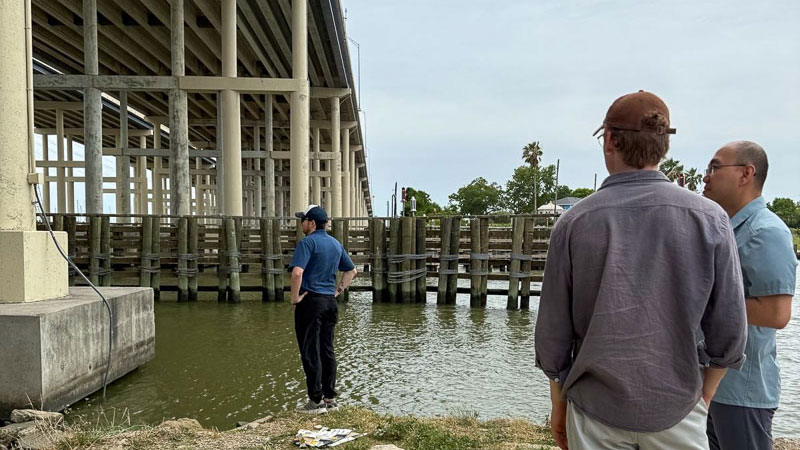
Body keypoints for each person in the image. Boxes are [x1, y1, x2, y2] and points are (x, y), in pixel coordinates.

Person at [534, 90, 748, 450]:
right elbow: (730, 330)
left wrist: (559, 403)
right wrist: (704, 396)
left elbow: (553, 335)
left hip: (594, 409)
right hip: (678, 405)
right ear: (663, 146)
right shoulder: (710, 219)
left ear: (610, 141)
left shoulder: (574, 223)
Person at [702, 141, 797, 450]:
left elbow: (776, 313)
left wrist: (698, 304)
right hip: (712, 383)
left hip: (742, 390)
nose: (706, 176)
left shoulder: (765, 232)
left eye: (715, 168)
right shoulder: (727, 228)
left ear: (746, 174)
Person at [288, 204, 357, 414]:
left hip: (310, 301)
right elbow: (352, 271)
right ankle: (329, 399)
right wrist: (337, 291)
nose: (301, 224)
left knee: (310, 351)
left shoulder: (307, 243)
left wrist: (294, 298)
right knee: (327, 349)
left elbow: (297, 273)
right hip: (329, 302)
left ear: (312, 223)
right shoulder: (335, 243)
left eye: (303, 220)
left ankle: (315, 401)